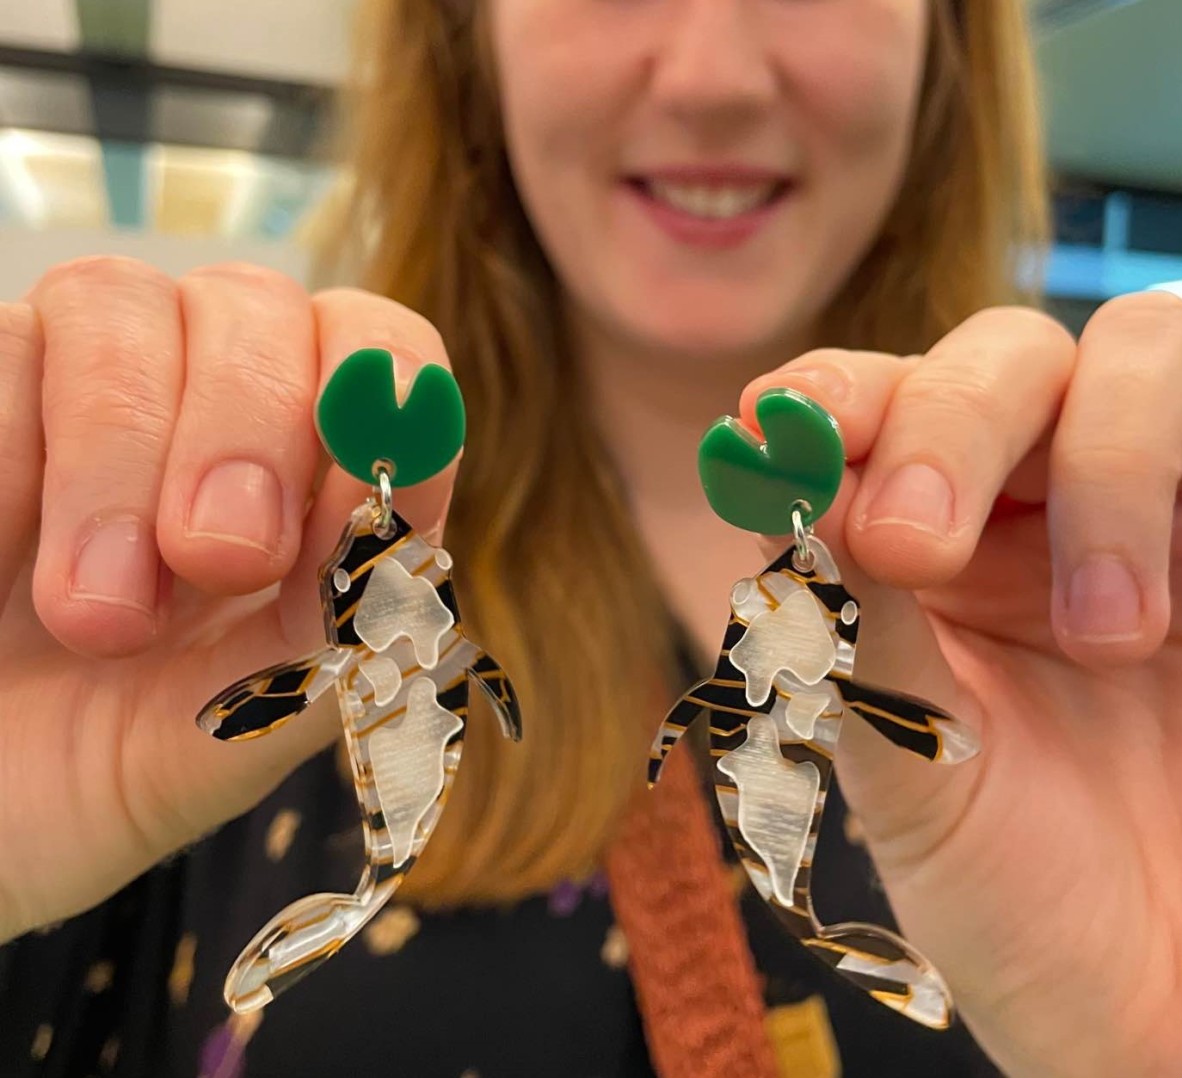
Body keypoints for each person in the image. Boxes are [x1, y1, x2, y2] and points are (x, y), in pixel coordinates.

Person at [1, 0, 1179, 1074]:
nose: (711, 75)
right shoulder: (200, 609)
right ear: (464, 36)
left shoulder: (1110, 648)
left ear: (949, 41)